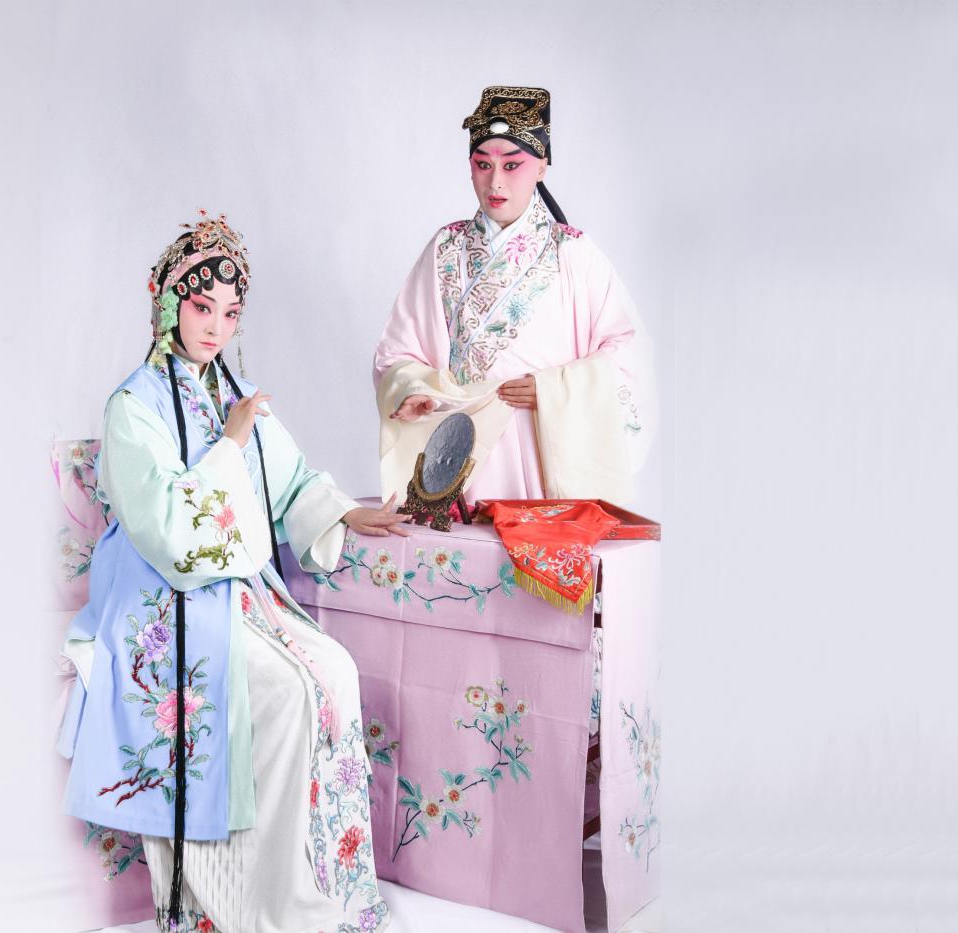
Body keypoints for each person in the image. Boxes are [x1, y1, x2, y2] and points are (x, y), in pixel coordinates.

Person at [57, 211, 403, 933]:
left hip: (235, 591)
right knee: (280, 691)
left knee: (333, 671)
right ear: (167, 304)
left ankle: (324, 885)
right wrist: (230, 443)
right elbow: (168, 531)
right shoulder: (133, 407)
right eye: (201, 307)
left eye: (230, 313)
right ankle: (249, 903)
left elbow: (288, 481)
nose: (215, 327)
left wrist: (343, 511)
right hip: (160, 596)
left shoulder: (232, 392)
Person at [373, 86, 652, 506]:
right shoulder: (445, 249)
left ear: (541, 166)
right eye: (483, 164)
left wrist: (554, 390)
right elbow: (397, 352)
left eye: (512, 165)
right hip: (462, 448)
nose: (496, 182)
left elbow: (627, 354)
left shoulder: (573, 252)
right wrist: (413, 389)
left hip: (545, 449)